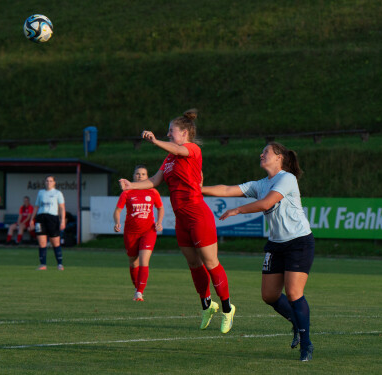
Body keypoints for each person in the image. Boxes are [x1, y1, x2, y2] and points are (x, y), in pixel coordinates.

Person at [119, 109, 236, 334]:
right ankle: (206, 305)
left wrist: (155, 140)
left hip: (197, 214)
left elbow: (177, 148)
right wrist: (131, 185)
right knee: (194, 264)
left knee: (211, 263)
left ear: (184, 133)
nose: (168, 134)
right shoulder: (169, 159)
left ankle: (227, 308)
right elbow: (154, 180)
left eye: (171, 131)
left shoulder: (192, 149)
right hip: (181, 218)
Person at [201, 142, 315, 361]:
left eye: (266, 152)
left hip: (299, 242)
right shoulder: (261, 183)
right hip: (276, 244)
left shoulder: (287, 178)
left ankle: (306, 345)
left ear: (279, 157)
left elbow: (266, 204)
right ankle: (296, 322)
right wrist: (197, 188)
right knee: (269, 295)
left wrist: (238, 210)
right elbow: (227, 190)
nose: (261, 154)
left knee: (293, 293)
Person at [114, 165, 165, 302]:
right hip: (131, 232)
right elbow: (117, 211)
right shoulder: (127, 193)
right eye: (137, 174)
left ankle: (139, 293)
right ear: (133, 176)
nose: (140, 176)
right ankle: (137, 288)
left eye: (143, 174)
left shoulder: (153, 192)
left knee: (144, 260)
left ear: (147, 177)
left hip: (148, 231)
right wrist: (117, 222)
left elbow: (160, 208)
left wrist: (159, 222)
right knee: (133, 262)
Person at [29, 175, 66, 270]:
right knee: (42, 242)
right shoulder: (41, 193)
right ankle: (43, 265)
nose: (48, 182)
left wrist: (62, 221)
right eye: (47, 181)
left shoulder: (58, 193)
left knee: (55, 242)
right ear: (44, 182)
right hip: (41, 218)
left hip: (52, 218)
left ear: (54, 183)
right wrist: (32, 219)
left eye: (50, 181)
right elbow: (36, 206)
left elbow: (62, 208)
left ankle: (60, 264)